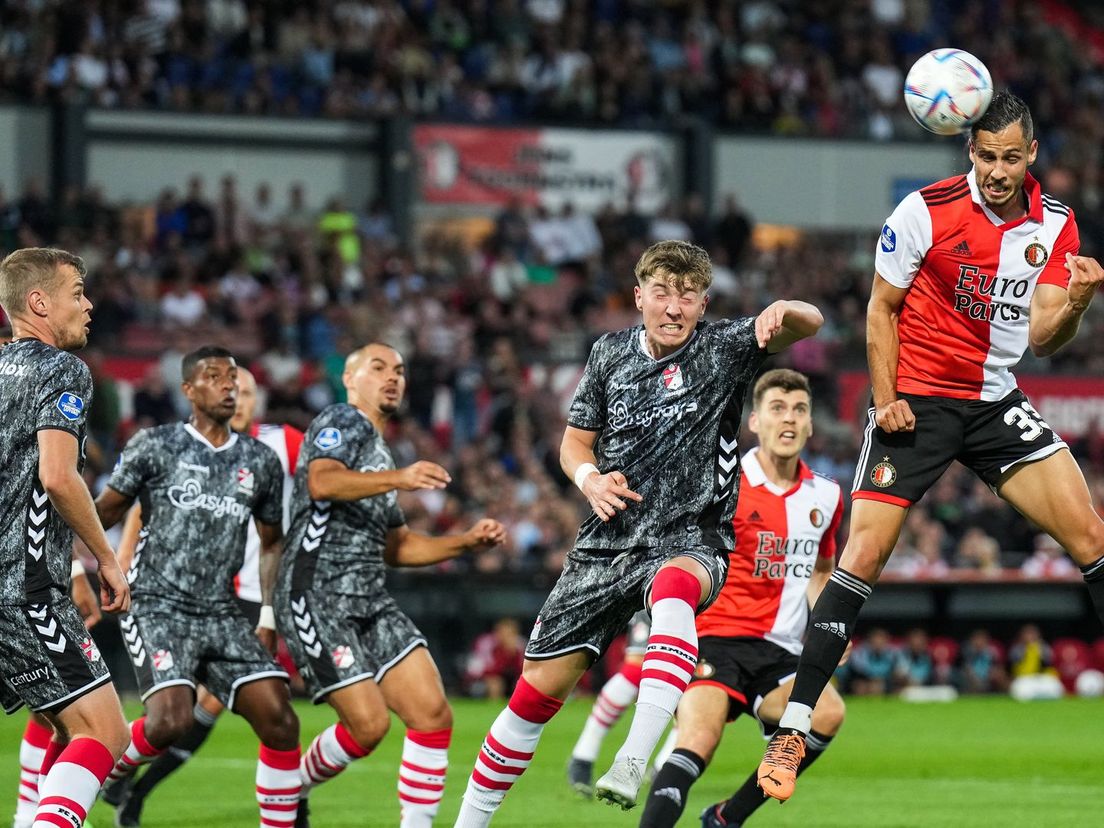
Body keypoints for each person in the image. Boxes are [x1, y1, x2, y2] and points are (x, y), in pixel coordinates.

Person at [759, 91, 1104, 802]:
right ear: (967, 150)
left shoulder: (1056, 224)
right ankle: (793, 730)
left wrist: (1075, 301)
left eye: (1012, 156)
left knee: (1091, 536)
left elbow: (1043, 337)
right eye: (986, 156)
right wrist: (886, 401)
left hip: (993, 399)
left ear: (1031, 154)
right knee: (863, 556)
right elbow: (879, 310)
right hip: (915, 399)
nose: (999, 170)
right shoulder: (924, 210)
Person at [454, 239, 823, 825]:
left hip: (691, 536)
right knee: (531, 698)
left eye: (686, 296)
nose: (673, 307)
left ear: (703, 303)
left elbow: (811, 322)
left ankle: (633, 756)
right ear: (639, 296)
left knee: (676, 588)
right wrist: (589, 478)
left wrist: (786, 311)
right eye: (661, 293)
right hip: (607, 540)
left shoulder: (725, 346)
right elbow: (575, 441)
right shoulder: (608, 354)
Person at [275, 342, 506, 828]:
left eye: (399, 370)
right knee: (368, 726)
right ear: (350, 379)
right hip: (317, 594)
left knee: (432, 713)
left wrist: (465, 543)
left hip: (369, 596)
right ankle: (287, 788)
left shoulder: (382, 452)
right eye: (377, 367)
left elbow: (398, 548)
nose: (392, 377)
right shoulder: (342, 420)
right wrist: (400, 478)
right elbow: (322, 481)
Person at [93, 346, 304, 827]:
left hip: (223, 610)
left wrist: (268, 614)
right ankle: (108, 771)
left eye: (234, 378)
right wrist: (84, 562)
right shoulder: (156, 444)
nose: (229, 386)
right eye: (216, 377)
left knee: (281, 720)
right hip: (157, 604)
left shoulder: (260, 460)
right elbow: (105, 510)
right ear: (188, 389)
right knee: (171, 720)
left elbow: (273, 542)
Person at [638, 368, 846, 828]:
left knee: (828, 713)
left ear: (811, 424)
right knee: (698, 740)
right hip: (713, 639)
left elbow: (821, 569)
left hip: (781, 652)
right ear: (755, 421)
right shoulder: (723, 483)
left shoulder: (827, 495)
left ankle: (727, 817)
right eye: (777, 408)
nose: (788, 419)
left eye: (799, 409)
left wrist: (829, 621)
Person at [0, 247, 131, 828]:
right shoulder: (62, 369)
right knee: (105, 730)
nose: (89, 303)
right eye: (77, 291)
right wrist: (105, 558)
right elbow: (58, 475)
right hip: (23, 588)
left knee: (64, 723)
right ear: (38, 303)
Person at [566, 611, 651, 797]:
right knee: (636, 669)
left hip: (717, 600)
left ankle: (665, 766)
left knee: (694, 683)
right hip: (668, 590)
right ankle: (583, 754)